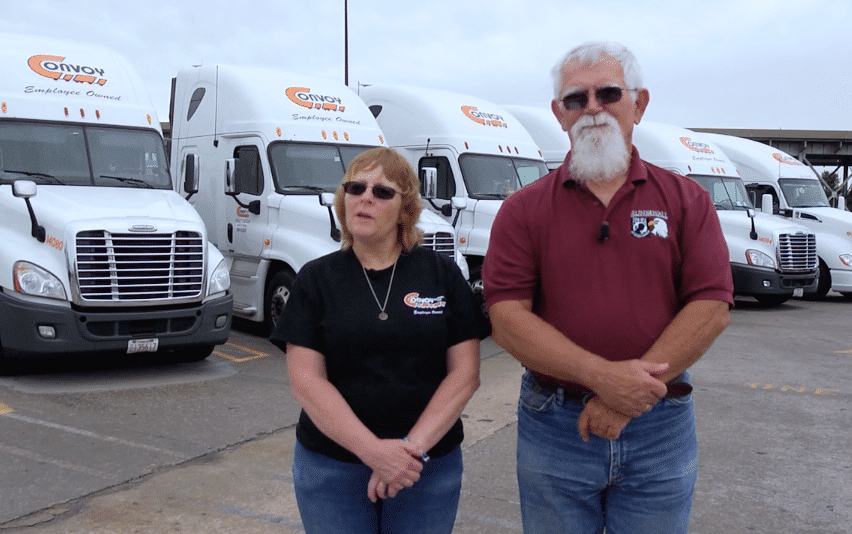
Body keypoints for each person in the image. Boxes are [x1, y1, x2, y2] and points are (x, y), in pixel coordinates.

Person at [482, 41, 734, 533]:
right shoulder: (523, 210)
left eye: (609, 93)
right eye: (577, 99)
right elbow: (507, 319)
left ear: (638, 104)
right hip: (555, 427)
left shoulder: (686, 199)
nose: (592, 108)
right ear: (559, 114)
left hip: (659, 426)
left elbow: (711, 306)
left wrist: (625, 396)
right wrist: (604, 379)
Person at [270, 147, 490, 534]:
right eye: (355, 187)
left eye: (383, 191)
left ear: (405, 209)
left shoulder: (441, 275)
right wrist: (374, 452)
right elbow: (306, 382)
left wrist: (407, 453)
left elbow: (465, 375)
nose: (366, 197)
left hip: (426, 467)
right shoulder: (315, 279)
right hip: (332, 467)